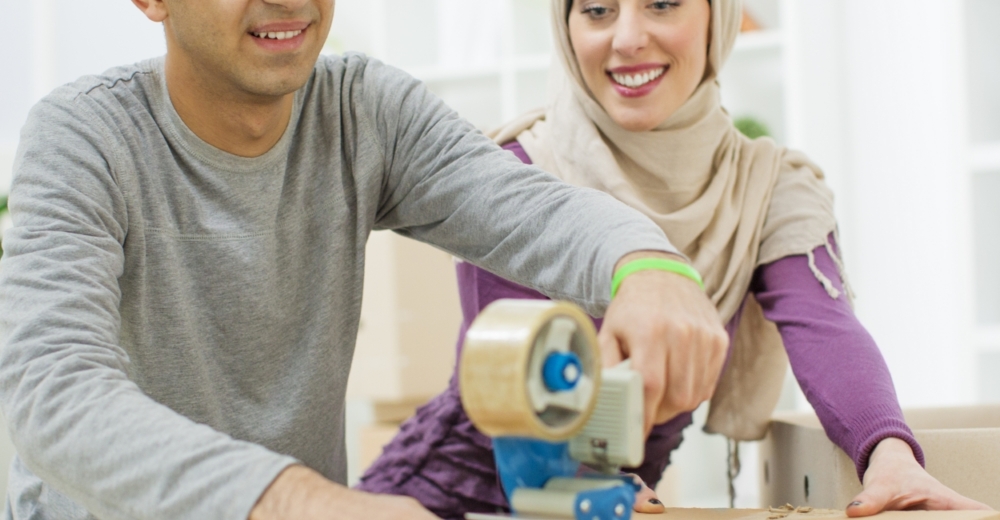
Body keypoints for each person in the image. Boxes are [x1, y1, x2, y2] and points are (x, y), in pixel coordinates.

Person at [0, 0, 737, 519]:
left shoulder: (364, 110)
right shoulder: (83, 137)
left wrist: (646, 264)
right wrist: (295, 499)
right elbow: (51, 389)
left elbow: (523, 206)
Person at [358, 0, 993, 518]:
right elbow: (523, 393)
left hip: (611, 505)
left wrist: (888, 455)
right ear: (565, 26)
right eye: (598, 10)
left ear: (718, 18)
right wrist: (593, 483)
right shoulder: (517, 174)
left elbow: (825, 329)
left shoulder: (769, 189)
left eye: (662, 3)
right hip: (445, 499)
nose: (628, 37)